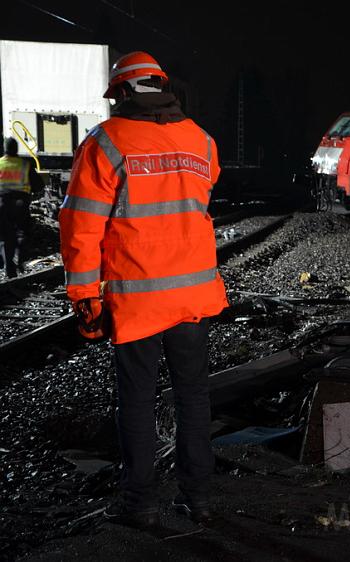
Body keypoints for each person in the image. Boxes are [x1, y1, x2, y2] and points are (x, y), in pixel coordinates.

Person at [59, 51, 228, 528]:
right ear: (163, 87)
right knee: (193, 397)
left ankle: (141, 503)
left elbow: (81, 227)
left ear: (125, 93)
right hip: (193, 297)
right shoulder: (203, 141)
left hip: (137, 300)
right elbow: (197, 198)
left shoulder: (106, 142)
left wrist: (84, 297)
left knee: (136, 400)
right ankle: (200, 499)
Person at [0, 137, 44, 277]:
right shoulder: (25, 164)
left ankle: (9, 267)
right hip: (20, 204)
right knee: (22, 233)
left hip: (1, 204)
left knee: (4, 236)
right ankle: (19, 257)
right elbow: (39, 186)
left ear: (4, 149)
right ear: (16, 149)